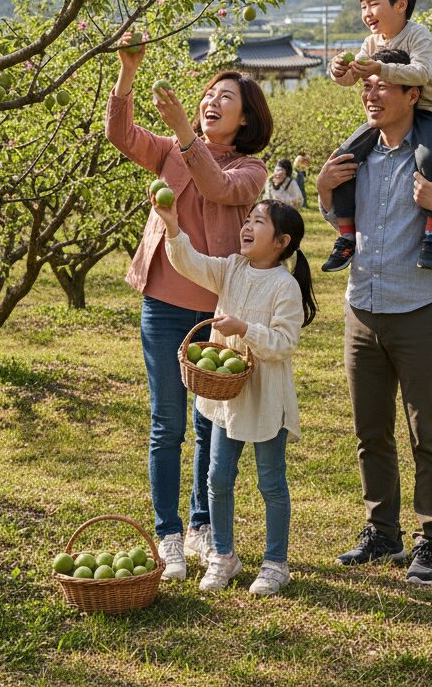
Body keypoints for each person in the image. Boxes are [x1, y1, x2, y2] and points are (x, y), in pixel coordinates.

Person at [105, 33, 272, 580]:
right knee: (166, 424)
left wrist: (183, 133)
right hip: (163, 301)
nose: (211, 101)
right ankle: (168, 534)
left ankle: (201, 525)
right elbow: (121, 134)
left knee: (207, 423)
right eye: (209, 93)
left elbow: (218, 186)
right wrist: (128, 72)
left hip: (215, 312)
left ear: (245, 120)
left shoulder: (252, 170)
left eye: (226, 97)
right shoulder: (170, 152)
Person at [316, 48, 432, 587]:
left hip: (419, 311)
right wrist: (323, 191)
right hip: (362, 311)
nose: (370, 94)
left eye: (381, 85)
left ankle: (431, 542)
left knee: (427, 434)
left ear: (413, 93)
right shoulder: (358, 155)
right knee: (370, 432)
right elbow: (344, 219)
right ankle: (382, 531)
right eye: (366, 86)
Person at [153, 193, 316, 596]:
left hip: (264, 397)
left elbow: (284, 343)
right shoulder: (231, 269)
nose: (247, 226)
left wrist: (244, 329)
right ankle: (223, 555)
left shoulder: (284, 287)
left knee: (271, 482)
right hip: (227, 396)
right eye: (248, 219)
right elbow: (191, 263)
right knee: (218, 477)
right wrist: (172, 225)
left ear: (281, 242)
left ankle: (276, 563)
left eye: (258, 221)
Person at [323, 0, 432, 273]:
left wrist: (379, 69)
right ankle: (346, 236)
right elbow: (353, 77)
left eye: (373, 4)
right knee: (344, 159)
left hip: (431, 113)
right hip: (389, 117)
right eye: (363, 6)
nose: (367, 13)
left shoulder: (418, 35)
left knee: (427, 158)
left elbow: (420, 73)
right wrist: (338, 71)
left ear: (401, 5)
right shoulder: (371, 43)